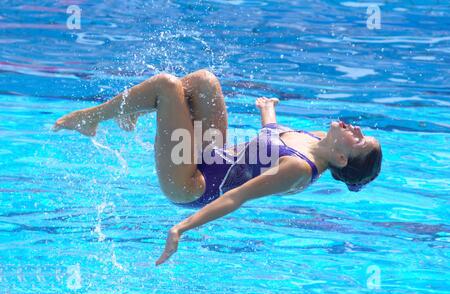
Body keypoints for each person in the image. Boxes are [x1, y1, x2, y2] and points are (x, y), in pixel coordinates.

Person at [52, 69, 382, 265]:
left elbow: (235, 198)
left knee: (167, 86)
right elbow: (271, 137)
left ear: (341, 159)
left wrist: (181, 227)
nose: (357, 131)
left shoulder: (298, 168)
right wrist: (268, 111)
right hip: (215, 155)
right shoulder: (315, 139)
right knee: (204, 82)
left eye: (359, 141)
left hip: (192, 183)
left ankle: (89, 119)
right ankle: (133, 108)